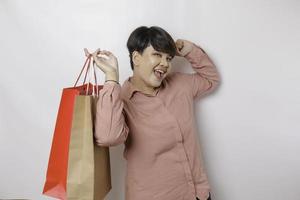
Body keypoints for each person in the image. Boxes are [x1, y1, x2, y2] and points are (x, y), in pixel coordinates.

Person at [85, 26, 219, 200]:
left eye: (168, 58)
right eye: (157, 54)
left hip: (198, 194)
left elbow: (211, 79)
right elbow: (108, 137)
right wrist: (111, 77)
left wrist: (189, 50)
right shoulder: (121, 100)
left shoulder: (180, 84)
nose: (165, 63)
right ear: (136, 57)